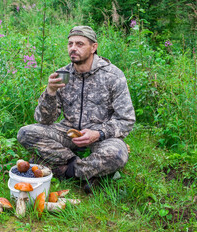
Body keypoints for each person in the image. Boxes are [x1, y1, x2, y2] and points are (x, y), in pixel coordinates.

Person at [17, 26, 135, 194]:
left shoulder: (113, 76)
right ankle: (86, 170)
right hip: (68, 131)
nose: (73, 48)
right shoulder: (63, 74)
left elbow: (126, 119)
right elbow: (44, 120)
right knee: (25, 133)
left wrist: (98, 133)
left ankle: (63, 170)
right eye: (70, 44)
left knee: (117, 154)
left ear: (93, 47)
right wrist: (50, 92)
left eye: (80, 44)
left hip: (100, 137)